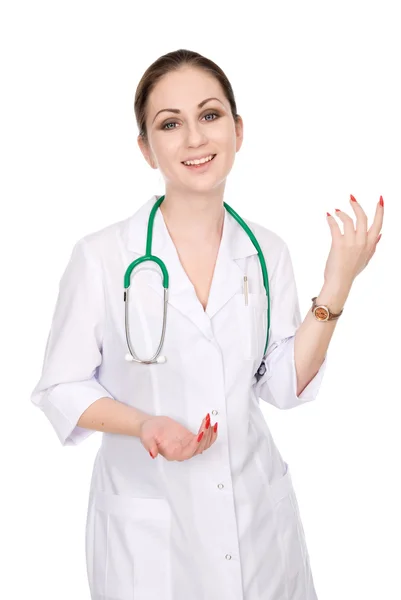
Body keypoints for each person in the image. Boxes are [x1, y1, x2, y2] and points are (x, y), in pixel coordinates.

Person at [30, 49, 384, 600]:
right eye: (170, 124)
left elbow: (283, 386)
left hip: (256, 521)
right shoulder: (102, 257)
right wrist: (145, 425)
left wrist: (339, 282)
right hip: (149, 535)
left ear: (238, 131)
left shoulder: (266, 251)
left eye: (211, 115)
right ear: (147, 148)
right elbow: (61, 385)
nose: (195, 138)